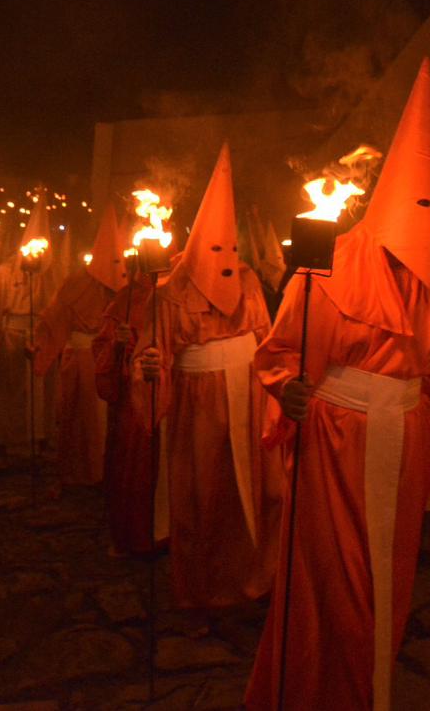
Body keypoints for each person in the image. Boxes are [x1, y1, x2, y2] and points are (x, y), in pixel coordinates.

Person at [244, 59, 430, 711]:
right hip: (336, 444)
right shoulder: (331, 263)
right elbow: (279, 353)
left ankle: (365, 689)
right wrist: (290, 393)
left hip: (403, 456)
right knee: (340, 585)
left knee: (388, 586)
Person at [136, 144, 284, 620]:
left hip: (248, 396)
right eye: (214, 249)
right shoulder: (171, 290)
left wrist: (280, 387)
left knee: (259, 492)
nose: (226, 258)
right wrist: (150, 368)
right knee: (202, 496)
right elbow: (151, 351)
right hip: (198, 402)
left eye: (230, 247)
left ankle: (253, 580)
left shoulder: (249, 281)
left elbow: (267, 341)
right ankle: (201, 590)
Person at [31, 205, 126, 491]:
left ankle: (109, 471)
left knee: (107, 419)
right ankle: (83, 471)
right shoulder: (77, 283)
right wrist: (40, 345)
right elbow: (55, 318)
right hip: (83, 358)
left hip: (111, 359)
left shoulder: (126, 285)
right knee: (81, 419)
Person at [93, 256, 169, 558]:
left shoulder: (177, 292)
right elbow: (102, 348)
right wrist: (119, 345)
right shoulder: (125, 300)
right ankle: (137, 534)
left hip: (176, 396)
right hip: (135, 403)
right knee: (134, 467)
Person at [0, 201, 58, 463]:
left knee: (38, 392)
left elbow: (56, 308)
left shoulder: (50, 274)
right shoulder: (5, 271)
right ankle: (4, 439)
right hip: (11, 337)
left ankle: (38, 437)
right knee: (9, 392)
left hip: (39, 337)